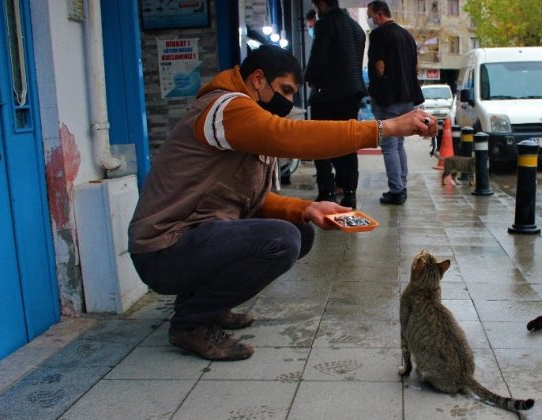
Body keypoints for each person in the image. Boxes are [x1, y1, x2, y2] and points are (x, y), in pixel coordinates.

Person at [128, 45, 436, 361]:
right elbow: (290, 136)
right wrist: (386, 128)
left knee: (299, 231)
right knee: (282, 240)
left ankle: (205, 304)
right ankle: (190, 324)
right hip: (163, 250)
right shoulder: (225, 108)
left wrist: (306, 209)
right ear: (258, 79)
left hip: (195, 239)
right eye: (285, 91)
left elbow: (254, 201)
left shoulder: (245, 119)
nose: (289, 103)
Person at [305, 0, 366, 208]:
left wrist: (309, 75)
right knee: (348, 142)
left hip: (327, 94)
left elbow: (318, 58)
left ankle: (327, 191)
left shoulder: (325, 24)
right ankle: (349, 192)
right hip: (352, 93)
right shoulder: (356, 28)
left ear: (322, 4)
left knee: (320, 141)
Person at [367, 0, 424, 205]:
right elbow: (415, 68)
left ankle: (396, 190)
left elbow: (378, 69)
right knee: (399, 143)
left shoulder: (379, 35)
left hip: (388, 99)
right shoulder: (407, 35)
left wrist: (375, 93)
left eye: (371, 15)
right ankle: (402, 184)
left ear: (380, 14)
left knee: (389, 144)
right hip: (407, 98)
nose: (370, 20)